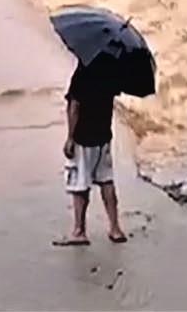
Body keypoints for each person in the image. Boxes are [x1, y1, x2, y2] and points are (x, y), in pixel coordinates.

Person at [54, 57, 127, 246]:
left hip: (83, 137)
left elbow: (74, 107)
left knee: (80, 184)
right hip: (103, 135)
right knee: (106, 180)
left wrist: (70, 137)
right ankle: (115, 228)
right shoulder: (111, 69)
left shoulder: (82, 72)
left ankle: (79, 231)